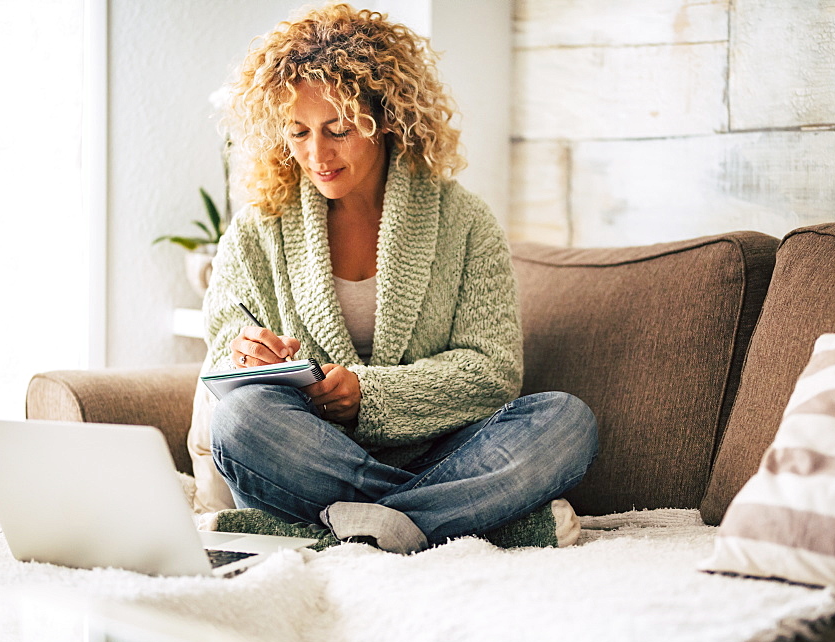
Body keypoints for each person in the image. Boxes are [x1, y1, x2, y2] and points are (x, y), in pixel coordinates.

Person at [202, 3, 598, 554]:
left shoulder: (464, 222)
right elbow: (222, 355)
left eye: (338, 129)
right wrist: (248, 357)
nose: (317, 154)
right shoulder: (255, 230)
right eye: (297, 132)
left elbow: (494, 372)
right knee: (243, 421)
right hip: (313, 457)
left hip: (443, 453)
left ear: (385, 116)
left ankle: (330, 535)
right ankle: (460, 525)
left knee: (566, 421)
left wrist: (371, 393)